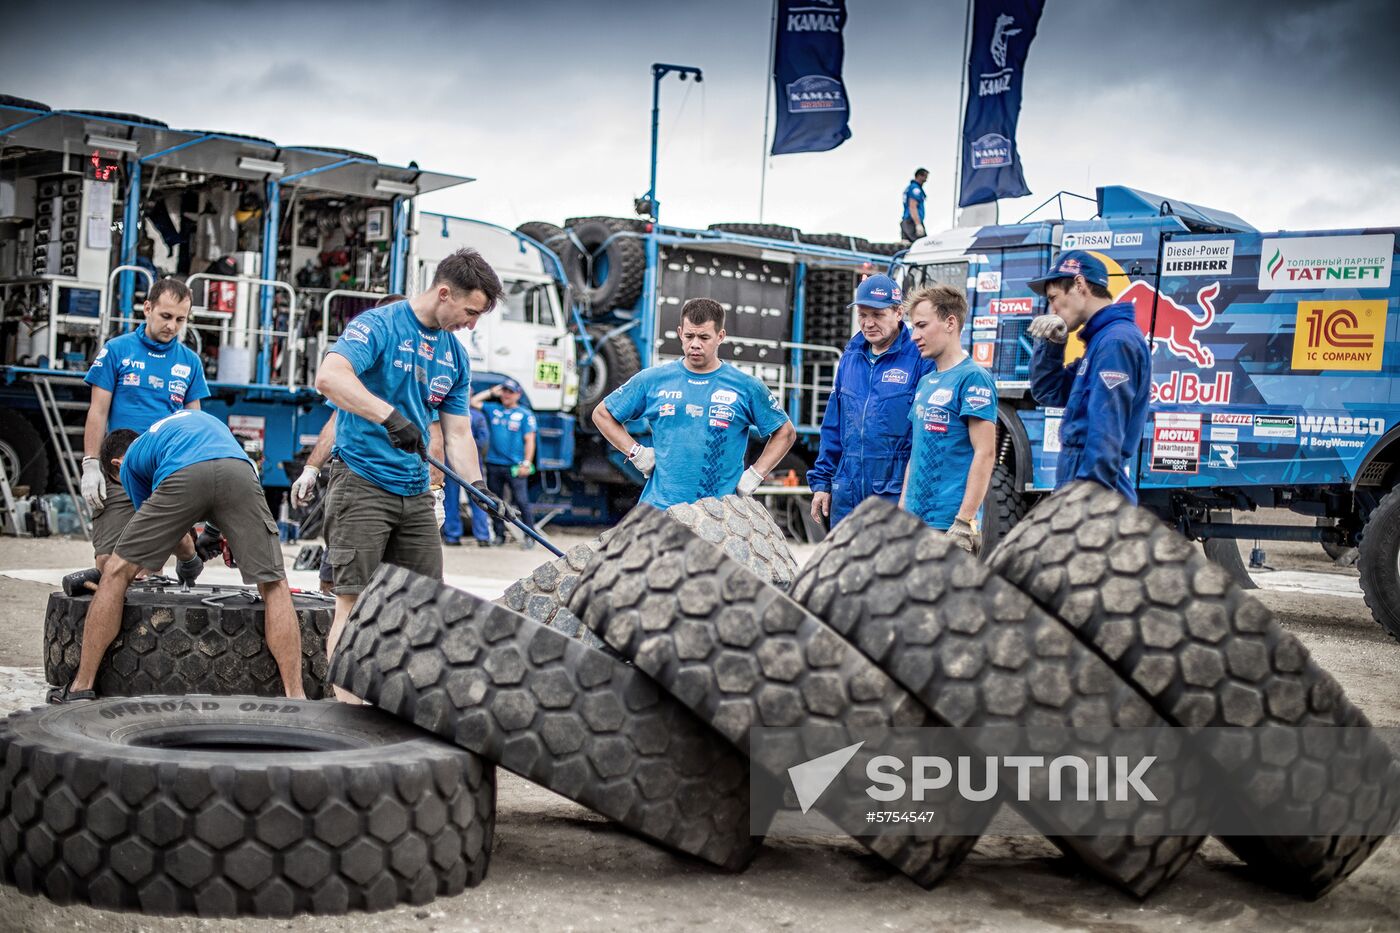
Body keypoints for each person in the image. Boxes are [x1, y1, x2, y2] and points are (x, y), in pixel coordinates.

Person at [315, 248, 503, 702]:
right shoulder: (378, 325)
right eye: (470, 312)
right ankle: (348, 717)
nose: (471, 325)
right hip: (362, 480)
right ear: (445, 293)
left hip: (416, 489)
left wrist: (478, 487)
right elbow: (330, 377)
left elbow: (458, 433)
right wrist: (388, 417)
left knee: (424, 606)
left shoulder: (455, 356)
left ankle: (399, 709)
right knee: (354, 604)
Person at [48, 410, 305, 702]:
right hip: (239, 469)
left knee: (116, 573)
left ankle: (81, 686)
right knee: (274, 583)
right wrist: (212, 533)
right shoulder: (188, 424)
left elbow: (168, 542)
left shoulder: (130, 464)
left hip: (186, 473)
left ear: (116, 465)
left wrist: (189, 563)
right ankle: (296, 697)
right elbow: (219, 476)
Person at [593, 298, 796, 508]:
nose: (695, 344)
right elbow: (602, 414)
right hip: (660, 511)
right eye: (689, 336)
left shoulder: (746, 387)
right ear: (680, 333)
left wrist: (755, 474)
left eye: (704, 337)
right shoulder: (652, 380)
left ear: (720, 336)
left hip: (718, 514)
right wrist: (637, 453)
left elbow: (785, 433)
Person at [80, 277, 208, 579]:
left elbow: (195, 424)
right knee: (107, 563)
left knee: (147, 570)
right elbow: (97, 411)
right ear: (147, 308)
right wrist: (90, 465)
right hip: (118, 469)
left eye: (180, 320)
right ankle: (185, 553)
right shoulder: (117, 350)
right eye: (166, 316)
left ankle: (187, 555)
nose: (172, 326)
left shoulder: (190, 362)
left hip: (163, 472)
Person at [807, 273, 935, 528]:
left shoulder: (921, 358)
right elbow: (833, 425)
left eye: (877, 315)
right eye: (863, 315)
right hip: (847, 489)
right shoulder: (850, 356)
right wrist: (822, 483)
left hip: (895, 491)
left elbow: (927, 437)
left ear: (898, 313)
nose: (868, 323)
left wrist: (915, 494)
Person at [1027, 250, 1151, 503]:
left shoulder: (1115, 342)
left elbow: (1106, 431)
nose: (1052, 309)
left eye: (1053, 298)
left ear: (1079, 284)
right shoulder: (1101, 342)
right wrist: (1053, 345)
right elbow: (1049, 391)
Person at [900, 284, 997, 553]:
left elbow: (986, 453)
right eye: (913, 327)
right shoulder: (925, 382)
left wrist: (965, 521)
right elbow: (916, 452)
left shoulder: (973, 378)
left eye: (922, 326)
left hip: (949, 527)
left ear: (950, 323)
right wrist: (901, 512)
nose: (914, 336)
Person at [471, 378, 537, 548]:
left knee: (522, 501)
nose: (507, 395)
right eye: (504, 391)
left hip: (515, 466)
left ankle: (530, 536)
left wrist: (527, 463)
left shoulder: (525, 414)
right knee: (495, 502)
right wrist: (491, 392)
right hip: (494, 463)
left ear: (518, 394)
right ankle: (499, 535)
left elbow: (530, 440)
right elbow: (473, 402)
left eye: (511, 392)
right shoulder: (494, 409)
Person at [442, 405, 492, 547]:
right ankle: (482, 537)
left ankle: (452, 536)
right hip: (471, 461)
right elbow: (483, 440)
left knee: (451, 500)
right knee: (478, 498)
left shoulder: (445, 413)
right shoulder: (477, 416)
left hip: (451, 460)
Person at [901, 167, 929, 243]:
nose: (925, 180)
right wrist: (918, 224)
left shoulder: (909, 188)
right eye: (925, 177)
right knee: (923, 245)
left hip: (907, 222)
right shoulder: (915, 189)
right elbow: (913, 206)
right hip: (912, 222)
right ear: (919, 176)